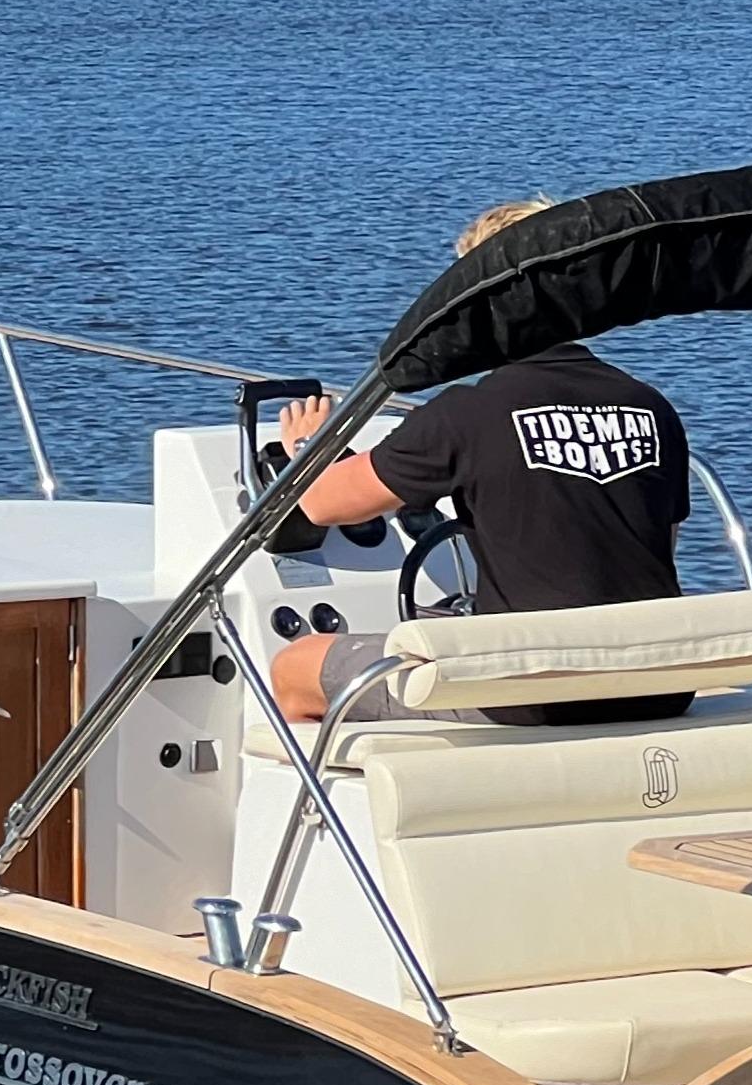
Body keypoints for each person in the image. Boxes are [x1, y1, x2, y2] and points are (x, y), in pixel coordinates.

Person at [274, 200, 697, 726]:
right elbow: (648, 548)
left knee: (296, 668)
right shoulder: (650, 406)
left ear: (482, 300)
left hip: (525, 694)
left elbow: (319, 502)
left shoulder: (467, 415)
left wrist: (308, 445)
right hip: (654, 686)